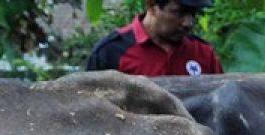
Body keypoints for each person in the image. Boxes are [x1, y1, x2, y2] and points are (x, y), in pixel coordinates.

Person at [86, 0, 222, 77]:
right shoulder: (111, 52)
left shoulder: (204, 53)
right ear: (152, 6)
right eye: (178, 12)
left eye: (193, 14)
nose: (188, 23)